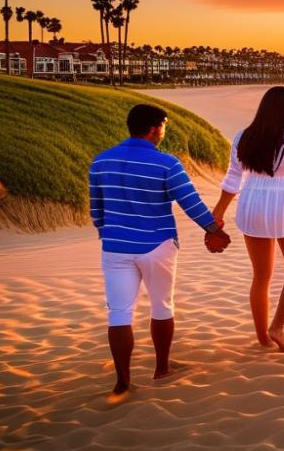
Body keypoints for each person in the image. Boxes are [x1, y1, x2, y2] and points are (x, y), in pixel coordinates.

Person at [89, 103, 231, 399]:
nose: (164, 131)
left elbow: (96, 211)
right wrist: (213, 231)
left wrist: (110, 235)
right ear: (155, 128)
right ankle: (162, 367)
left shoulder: (100, 162)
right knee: (161, 306)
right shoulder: (167, 163)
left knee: (119, 313)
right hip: (157, 244)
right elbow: (189, 201)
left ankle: (122, 380)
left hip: (115, 248)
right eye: (164, 125)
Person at [212, 86, 284, 353]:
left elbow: (232, 179)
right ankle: (277, 326)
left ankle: (263, 337)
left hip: (252, 204)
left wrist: (218, 212)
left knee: (261, 276)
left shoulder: (244, 137)